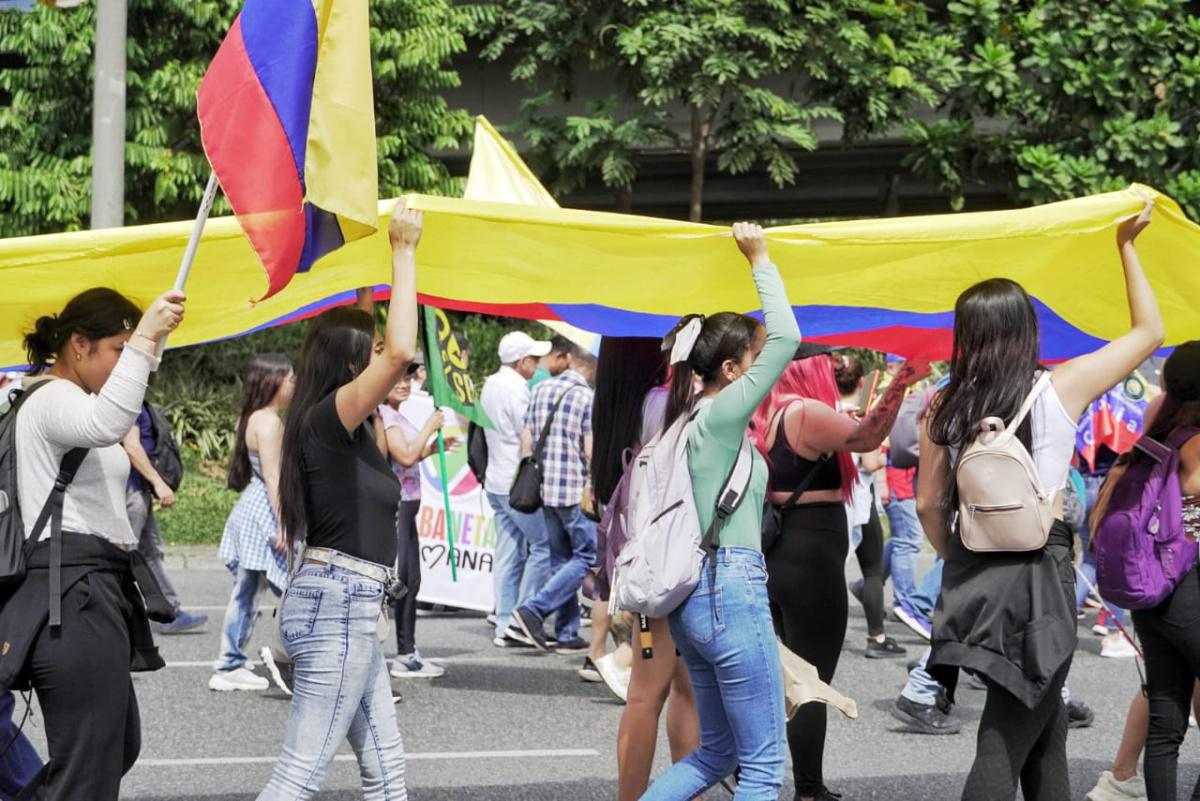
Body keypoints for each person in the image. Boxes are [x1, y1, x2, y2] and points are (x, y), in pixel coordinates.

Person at [919, 198, 1163, 801]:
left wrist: (967, 555)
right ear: (1026, 328)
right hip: (1041, 570)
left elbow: (928, 505)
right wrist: (1126, 248)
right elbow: (1150, 333)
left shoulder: (944, 408)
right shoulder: (1059, 388)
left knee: (1044, 721)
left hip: (973, 571)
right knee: (1004, 736)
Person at [257, 204, 422, 800]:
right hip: (339, 606)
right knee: (299, 775)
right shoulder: (330, 419)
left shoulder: (333, 424)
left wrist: (368, 268)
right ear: (354, 367)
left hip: (347, 604)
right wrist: (403, 252)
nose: (383, 358)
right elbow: (400, 351)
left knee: (386, 769)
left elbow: (374, 338)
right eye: (370, 353)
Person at [636, 222, 799, 801]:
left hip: (692, 601)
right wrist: (760, 259)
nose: (762, 370)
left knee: (717, 753)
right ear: (731, 371)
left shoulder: (681, 423)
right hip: (731, 585)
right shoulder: (723, 416)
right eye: (750, 362)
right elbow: (787, 338)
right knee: (761, 766)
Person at [2, 286, 185, 800]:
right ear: (78, 345)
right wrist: (146, 335)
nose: (125, 362)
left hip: (87, 589)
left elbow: (117, 408)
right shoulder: (53, 397)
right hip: (71, 593)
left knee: (112, 748)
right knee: (88, 767)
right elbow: (109, 422)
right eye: (118, 351)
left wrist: (150, 342)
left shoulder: (67, 398)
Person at [752, 346, 928, 801]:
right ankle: (808, 790)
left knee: (786, 680)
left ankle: (759, 776)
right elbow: (868, 438)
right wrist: (900, 383)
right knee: (810, 684)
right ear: (811, 370)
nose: (832, 373)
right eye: (827, 367)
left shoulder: (775, 411)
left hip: (784, 556)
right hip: (809, 563)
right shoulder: (805, 411)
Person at [590, 338, 700, 799]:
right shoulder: (665, 404)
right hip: (679, 565)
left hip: (642, 567)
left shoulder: (614, 410)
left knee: (643, 693)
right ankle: (685, 790)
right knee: (686, 691)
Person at [1106, 341, 1200, 801]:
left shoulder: (1152, 437)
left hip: (1152, 591)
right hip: (1189, 587)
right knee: (1167, 716)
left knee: (1166, 720)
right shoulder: (1196, 444)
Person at [209, 354, 294, 692]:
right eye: (290, 378)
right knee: (267, 591)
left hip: (256, 508)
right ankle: (230, 663)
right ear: (273, 381)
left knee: (251, 591)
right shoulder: (269, 422)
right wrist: (284, 522)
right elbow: (273, 476)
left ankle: (233, 661)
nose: (294, 383)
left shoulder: (257, 416)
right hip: (264, 512)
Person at [507, 348, 598, 655]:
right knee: (586, 557)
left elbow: (527, 439)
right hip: (574, 489)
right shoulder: (587, 397)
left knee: (561, 559)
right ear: (590, 366)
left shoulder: (541, 389)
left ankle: (566, 632)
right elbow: (590, 451)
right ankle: (534, 610)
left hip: (545, 488)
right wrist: (594, 483)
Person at [380, 364, 457, 678]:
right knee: (401, 580)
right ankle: (400, 653)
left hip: (410, 504)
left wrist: (431, 449)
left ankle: (407, 651)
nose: (404, 383)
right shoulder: (384, 415)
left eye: (408, 377)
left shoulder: (397, 414)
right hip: (397, 505)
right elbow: (404, 456)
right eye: (397, 377)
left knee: (412, 580)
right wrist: (429, 426)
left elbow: (412, 456)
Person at [479, 331, 553, 647]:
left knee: (508, 552)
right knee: (542, 546)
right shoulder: (518, 389)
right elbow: (529, 434)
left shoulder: (490, 384)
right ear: (522, 361)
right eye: (534, 359)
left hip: (495, 478)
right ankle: (521, 618)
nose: (536, 365)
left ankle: (505, 621)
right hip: (516, 480)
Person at [834, 353, 906, 660]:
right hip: (861, 502)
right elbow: (869, 459)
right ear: (862, 382)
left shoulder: (823, 411)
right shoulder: (863, 416)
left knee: (833, 570)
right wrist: (883, 459)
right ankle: (876, 637)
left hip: (833, 502)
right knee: (872, 571)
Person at [122, 401, 208, 633]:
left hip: (138, 488)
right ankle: (111, 617)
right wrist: (158, 482)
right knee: (122, 555)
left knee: (149, 552)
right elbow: (132, 446)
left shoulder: (137, 398)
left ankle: (169, 613)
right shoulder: (128, 400)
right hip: (129, 490)